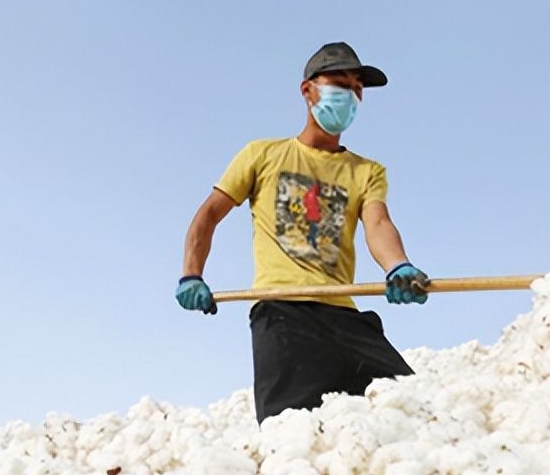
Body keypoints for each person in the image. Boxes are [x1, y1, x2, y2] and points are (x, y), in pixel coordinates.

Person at [176, 41, 431, 423]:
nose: (351, 95)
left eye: (357, 89)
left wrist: (398, 266)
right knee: (292, 432)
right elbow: (209, 215)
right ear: (307, 89)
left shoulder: (367, 171)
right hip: (282, 313)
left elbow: (377, 222)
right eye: (339, 84)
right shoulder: (262, 155)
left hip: (344, 314)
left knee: (409, 412)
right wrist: (192, 274)